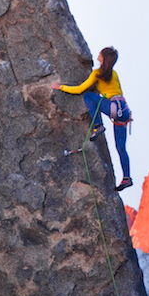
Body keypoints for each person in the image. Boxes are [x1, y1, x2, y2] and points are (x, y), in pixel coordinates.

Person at [51, 47, 133, 191]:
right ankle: (127, 178)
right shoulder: (113, 74)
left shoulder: (97, 74)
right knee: (121, 148)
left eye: (100, 54)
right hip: (124, 111)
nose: (98, 55)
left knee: (88, 96)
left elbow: (80, 89)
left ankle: (98, 126)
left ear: (103, 58)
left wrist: (60, 87)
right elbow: (118, 91)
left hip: (114, 107)